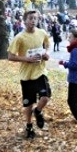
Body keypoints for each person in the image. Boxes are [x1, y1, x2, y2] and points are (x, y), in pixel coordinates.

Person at [8, 10, 51, 139]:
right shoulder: (19, 37)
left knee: (45, 97)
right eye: (31, 18)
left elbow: (48, 45)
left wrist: (46, 54)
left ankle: (38, 111)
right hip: (26, 75)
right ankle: (29, 126)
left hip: (40, 72)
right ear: (25, 20)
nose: (33, 21)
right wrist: (27, 59)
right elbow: (10, 56)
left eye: (35, 18)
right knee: (28, 103)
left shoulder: (42, 33)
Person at [59, 29, 77, 125]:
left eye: (70, 37)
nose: (68, 39)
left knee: (71, 101)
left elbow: (75, 65)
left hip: (75, 79)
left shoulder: (75, 50)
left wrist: (65, 63)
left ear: (75, 39)